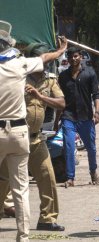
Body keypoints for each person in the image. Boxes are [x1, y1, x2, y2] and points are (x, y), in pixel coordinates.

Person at [0, 19, 67, 242]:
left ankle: (47, 218)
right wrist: (60, 51)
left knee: (45, 175)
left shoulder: (44, 78)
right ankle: (24, 236)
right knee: (19, 188)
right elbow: (45, 58)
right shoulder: (20, 67)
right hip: (19, 134)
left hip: (25, 136)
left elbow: (61, 102)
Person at [56, 46, 99, 188]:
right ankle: (70, 178)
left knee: (91, 148)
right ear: (68, 59)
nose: (73, 59)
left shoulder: (89, 73)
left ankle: (93, 171)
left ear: (80, 57)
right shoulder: (63, 77)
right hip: (68, 116)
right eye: (70, 57)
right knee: (69, 146)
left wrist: (97, 112)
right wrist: (57, 118)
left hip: (86, 117)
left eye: (76, 56)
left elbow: (96, 95)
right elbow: (60, 99)